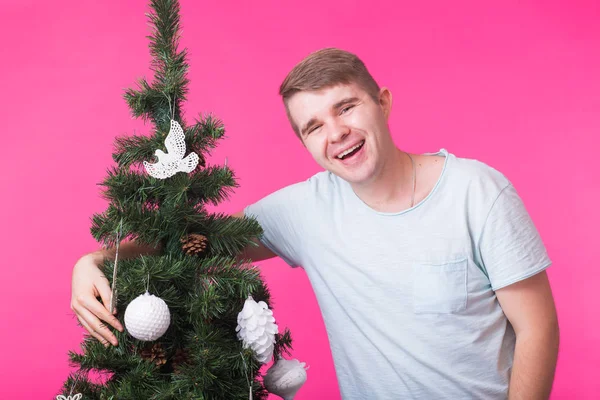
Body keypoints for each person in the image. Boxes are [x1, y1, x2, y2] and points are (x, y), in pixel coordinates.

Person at [71, 48, 559, 399]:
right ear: (305, 144)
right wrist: (93, 260)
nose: (337, 132)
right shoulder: (305, 211)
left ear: (382, 102)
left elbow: (537, 327)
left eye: (346, 107)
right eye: (314, 126)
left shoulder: (477, 192)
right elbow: (195, 241)